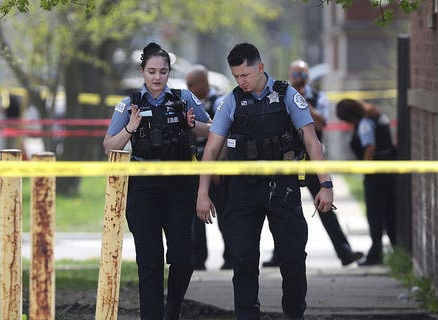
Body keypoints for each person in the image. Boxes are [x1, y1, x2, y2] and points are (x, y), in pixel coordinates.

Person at [196, 43, 334, 320]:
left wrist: (326, 184)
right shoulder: (231, 101)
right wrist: (203, 192)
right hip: (243, 191)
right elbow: (211, 149)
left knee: (293, 257)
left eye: (245, 75)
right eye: (236, 76)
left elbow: (311, 139)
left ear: (260, 67)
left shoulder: (287, 95)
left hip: (282, 187)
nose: (241, 81)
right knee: (243, 260)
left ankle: (294, 314)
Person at [103, 42, 211, 319]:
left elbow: (211, 130)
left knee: (183, 259)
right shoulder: (129, 104)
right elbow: (109, 145)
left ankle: (172, 310)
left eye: (162, 71)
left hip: (178, 186)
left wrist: (192, 125)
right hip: (144, 188)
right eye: (151, 71)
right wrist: (131, 127)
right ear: (142, 71)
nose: (157, 77)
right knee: (149, 262)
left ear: (168, 72)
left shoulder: (183, 97)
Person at [263, 60, 363, 268]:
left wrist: (303, 105)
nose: (299, 78)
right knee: (281, 206)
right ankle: (277, 255)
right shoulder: (280, 96)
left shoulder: (318, 97)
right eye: (295, 74)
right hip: (288, 159)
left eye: (302, 74)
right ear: (290, 75)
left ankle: (344, 252)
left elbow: (322, 123)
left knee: (325, 206)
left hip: (311, 160)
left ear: (308, 76)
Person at [335, 98, 397, 266]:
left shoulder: (364, 124)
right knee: (390, 213)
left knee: (375, 215)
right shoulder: (377, 115)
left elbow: (370, 147)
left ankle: (376, 254)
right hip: (389, 170)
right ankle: (396, 251)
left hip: (376, 174)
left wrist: (365, 168)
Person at [185, 65, 232, 271]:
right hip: (195, 169)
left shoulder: (219, 102)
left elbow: (223, 136)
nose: (189, 88)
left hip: (216, 171)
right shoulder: (189, 104)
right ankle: (198, 259)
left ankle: (231, 258)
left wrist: (215, 167)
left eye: (191, 84)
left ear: (203, 83)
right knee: (197, 217)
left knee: (225, 215)